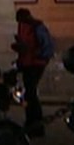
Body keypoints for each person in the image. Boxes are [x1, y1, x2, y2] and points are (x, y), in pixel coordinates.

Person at [12, 8, 54, 137]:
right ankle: (32, 123)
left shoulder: (37, 27)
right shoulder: (24, 26)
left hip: (35, 63)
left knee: (31, 93)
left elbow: (47, 45)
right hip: (27, 63)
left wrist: (37, 54)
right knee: (29, 94)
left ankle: (35, 124)